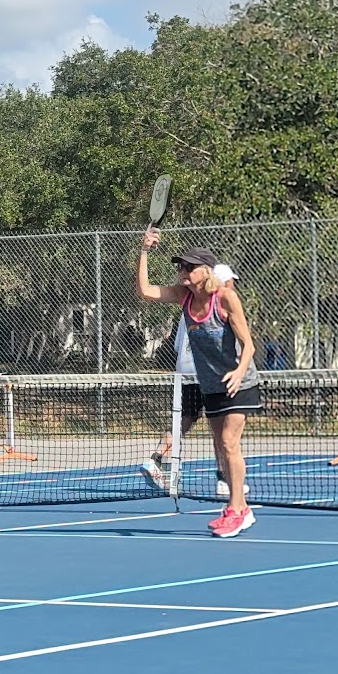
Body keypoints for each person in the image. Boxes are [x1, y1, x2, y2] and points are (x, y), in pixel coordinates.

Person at [136, 229, 260, 537]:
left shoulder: (226, 298)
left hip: (239, 382)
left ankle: (235, 510)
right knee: (221, 445)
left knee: (230, 443)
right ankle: (241, 509)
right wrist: (144, 251)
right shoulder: (184, 297)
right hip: (211, 385)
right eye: (181, 267)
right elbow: (145, 291)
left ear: (206, 271)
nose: (183, 272)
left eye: (189, 267)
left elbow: (249, 344)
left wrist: (238, 371)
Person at [142, 260, 247, 501]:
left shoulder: (188, 307)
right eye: (229, 281)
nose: (232, 285)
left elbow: (180, 346)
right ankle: (223, 479)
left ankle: (157, 458)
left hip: (185, 374)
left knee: (185, 421)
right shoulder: (217, 306)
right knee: (220, 430)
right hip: (208, 375)